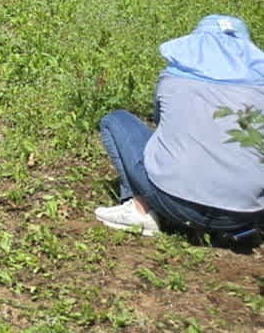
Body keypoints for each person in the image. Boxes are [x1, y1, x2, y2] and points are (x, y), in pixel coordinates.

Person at [95, 15, 264, 238]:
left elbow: (163, 125)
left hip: (174, 203)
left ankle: (140, 210)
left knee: (115, 120)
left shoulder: (172, 78)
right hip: (247, 214)